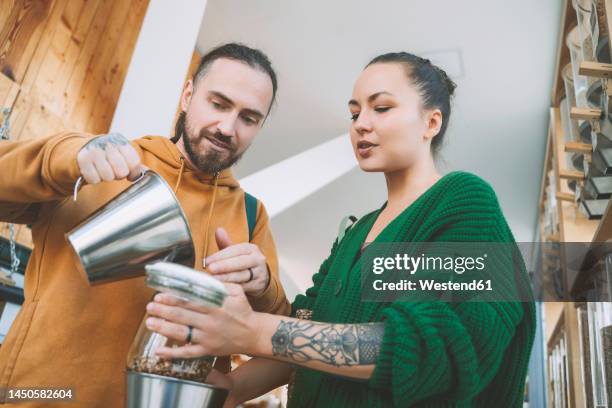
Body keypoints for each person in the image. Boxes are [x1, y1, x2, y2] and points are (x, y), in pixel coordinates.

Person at [145, 51, 536, 407]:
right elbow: (311, 331)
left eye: (381, 108)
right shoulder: (355, 233)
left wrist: (250, 330)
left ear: (431, 122)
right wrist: (235, 387)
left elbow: (422, 349)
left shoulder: (465, 201)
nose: (361, 124)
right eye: (354, 114)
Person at [0, 43, 290, 407]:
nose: (227, 128)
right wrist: (68, 155)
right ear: (188, 95)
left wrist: (263, 286)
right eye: (218, 104)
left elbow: (280, 338)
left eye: (249, 118)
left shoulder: (251, 215)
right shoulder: (102, 163)